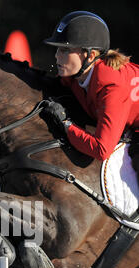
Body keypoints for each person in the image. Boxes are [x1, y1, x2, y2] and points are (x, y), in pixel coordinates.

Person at [40, 11, 139, 164]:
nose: (56, 56)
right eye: (58, 49)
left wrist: (66, 124)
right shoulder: (75, 74)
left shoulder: (112, 87)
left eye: (65, 50)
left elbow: (102, 150)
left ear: (90, 56)